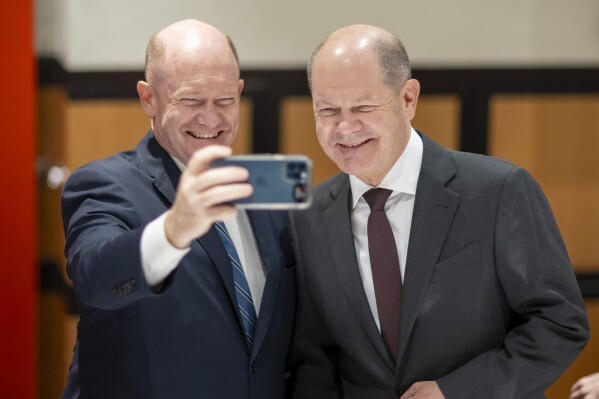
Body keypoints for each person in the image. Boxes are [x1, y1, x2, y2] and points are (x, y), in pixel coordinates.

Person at [289, 24, 589, 399]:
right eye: (328, 110)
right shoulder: (306, 218)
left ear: (408, 99)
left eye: (363, 107)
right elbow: (313, 358)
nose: (345, 127)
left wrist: (455, 391)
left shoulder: (498, 191)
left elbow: (560, 323)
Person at [60, 19, 296, 399]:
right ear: (148, 98)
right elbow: (95, 276)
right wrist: (173, 230)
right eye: (190, 101)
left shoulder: (262, 192)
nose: (210, 118)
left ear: (239, 92)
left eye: (224, 101)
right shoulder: (104, 184)